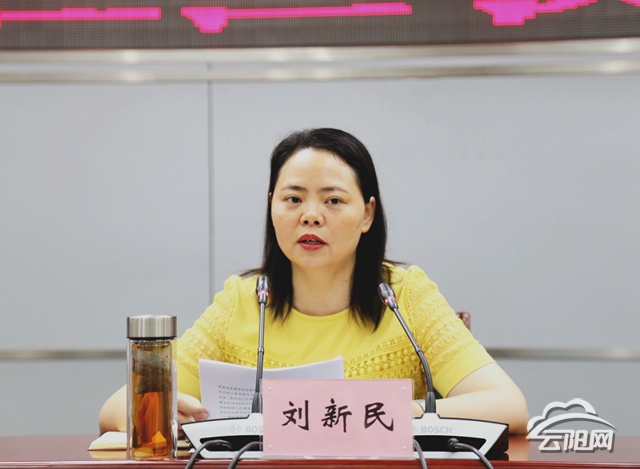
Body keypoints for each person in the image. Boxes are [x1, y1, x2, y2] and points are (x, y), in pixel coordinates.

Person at [99, 128, 529, 435]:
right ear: (272, 206)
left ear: (367, 214)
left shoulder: (404, 296)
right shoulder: (244, 301)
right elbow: (116, 409)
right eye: (293, 199)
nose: (310, 216)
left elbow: (508, 406)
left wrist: (395, 412)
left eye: (333, 200)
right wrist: (161, 410)